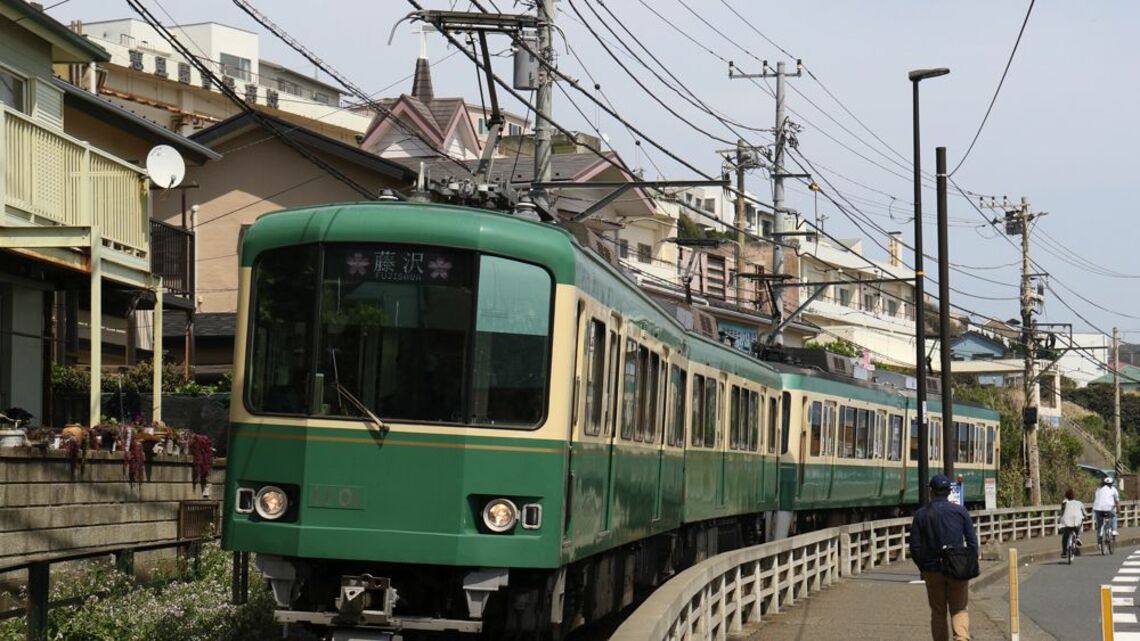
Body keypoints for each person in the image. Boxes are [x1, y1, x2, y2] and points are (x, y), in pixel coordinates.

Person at [910, 474, 979, 641]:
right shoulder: (961, 512)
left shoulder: (921, 514)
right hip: (957, 568)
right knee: (959, 609)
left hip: (932, 569)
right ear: (949, 492)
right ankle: (961, 638)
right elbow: (972, 542)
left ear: (931, 492)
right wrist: (968, 563)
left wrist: (923, 567)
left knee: (938, 612)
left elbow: (915, 546)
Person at [1059, 488, 1086, 557]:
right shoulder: (1079, 503)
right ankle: (1078, 538)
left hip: (1067, 521)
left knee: (1065, 536)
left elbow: (1062, 511)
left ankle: (1064, 552)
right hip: (1077, 520)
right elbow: (1085, 513)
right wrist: (1086, 516)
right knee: (1079, 524)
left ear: (1066, 496)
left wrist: (1060, 519)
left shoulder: (1065, 503)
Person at [1093, 476, 1120, 542]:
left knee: (1100, 524)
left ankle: (1099, 538)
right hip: (1107, 508)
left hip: (1097, 508)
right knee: (1113, 516)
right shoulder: (1113, 489)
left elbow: (1096, 498)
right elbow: (1117, 502)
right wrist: (1119, 511)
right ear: (1112, 483)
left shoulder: (1098, 489)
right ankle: (1113, 530)